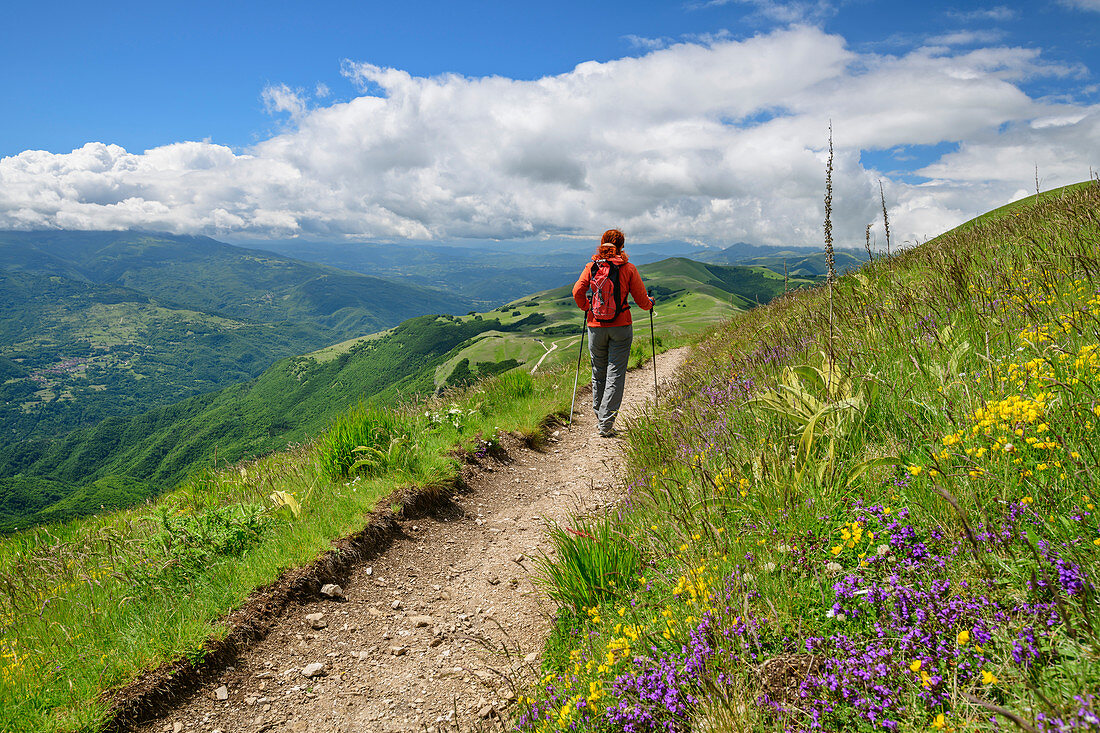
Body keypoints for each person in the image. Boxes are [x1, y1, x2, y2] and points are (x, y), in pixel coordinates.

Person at [571, 229, 653, 438]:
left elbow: (577, 291)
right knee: (615, 373)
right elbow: (643, 302)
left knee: (598, 372)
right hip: (621, 327)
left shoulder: (592, 267)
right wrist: (650, 302)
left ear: (602, 244)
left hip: (595, 325)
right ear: (622, 247)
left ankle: (600, 416)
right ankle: (606, 424)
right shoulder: (628, 268)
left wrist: (586, 306)